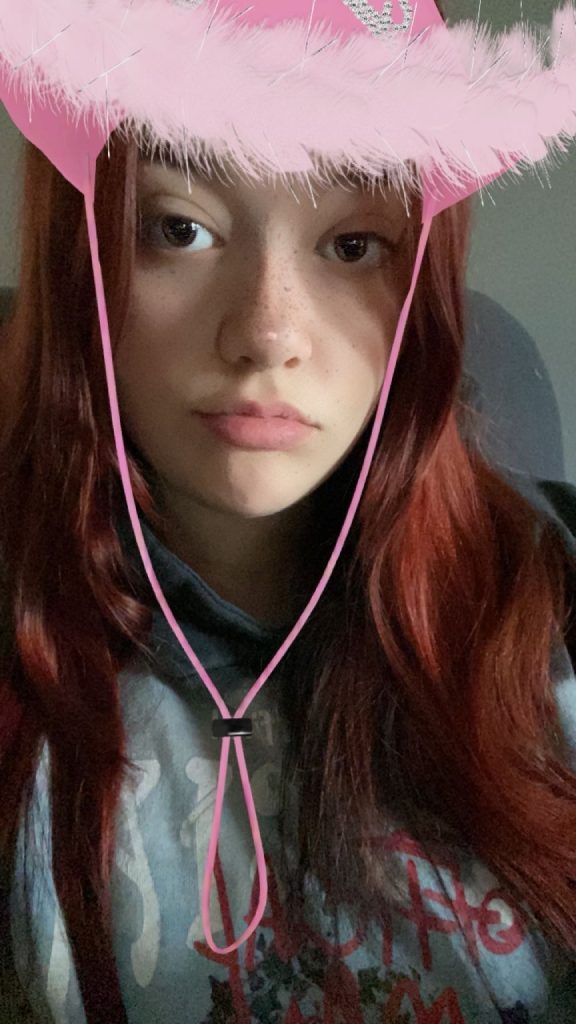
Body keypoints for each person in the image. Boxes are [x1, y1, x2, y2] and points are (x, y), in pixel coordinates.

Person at [1, 1, 576, 1022]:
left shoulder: (554, 590)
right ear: (78, 257)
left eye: (353, 245)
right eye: (179, 229)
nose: (268, 332)